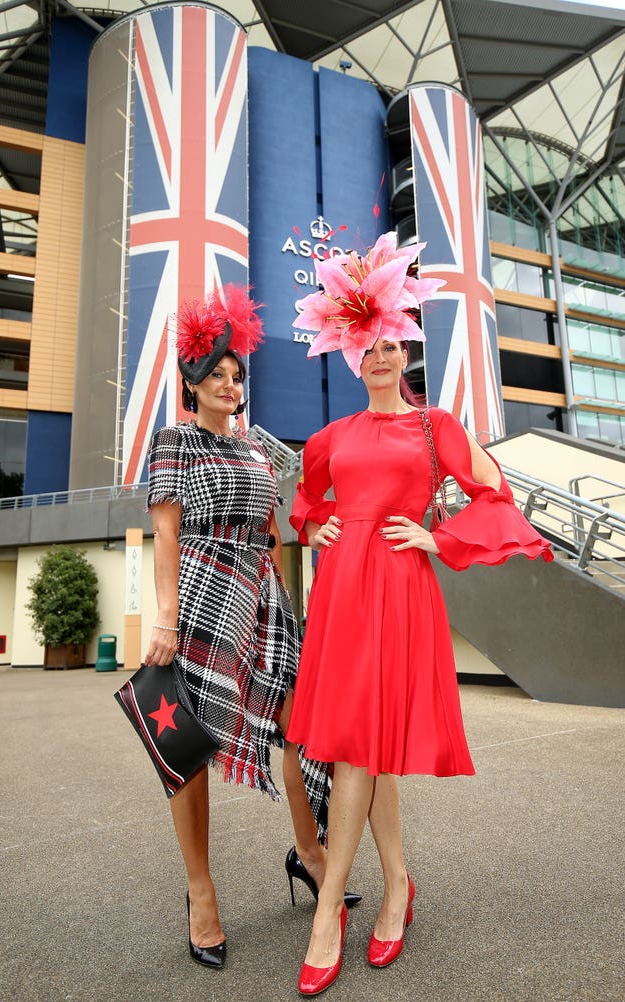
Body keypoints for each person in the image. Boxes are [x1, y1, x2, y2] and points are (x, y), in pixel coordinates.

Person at [285, 232, 553, 995]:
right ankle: (397, 884)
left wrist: (435, 536)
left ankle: (328, 906)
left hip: (399, 590)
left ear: (405, 346)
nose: (378, 355)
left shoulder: (436, 428)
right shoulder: (330, 439)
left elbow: (496, 493)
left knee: (359, 753)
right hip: (342, 593)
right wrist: (317, 526)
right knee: (358, 747)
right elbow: (305, 504)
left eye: (389, 341)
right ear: (349, 352)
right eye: (364, 344)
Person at [143, 286, 355, 971]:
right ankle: (200, 893)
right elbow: (167, 533)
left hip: (263, 597)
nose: (231, 385)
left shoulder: (262, 451)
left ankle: (310, 853)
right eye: (217, 375)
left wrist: (299, 597)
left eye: (238, 375)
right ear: (192, 385)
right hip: (206, 595)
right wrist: (167, 621)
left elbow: (273, 532)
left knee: (299, 724)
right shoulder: (174, 443)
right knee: (188, 745)